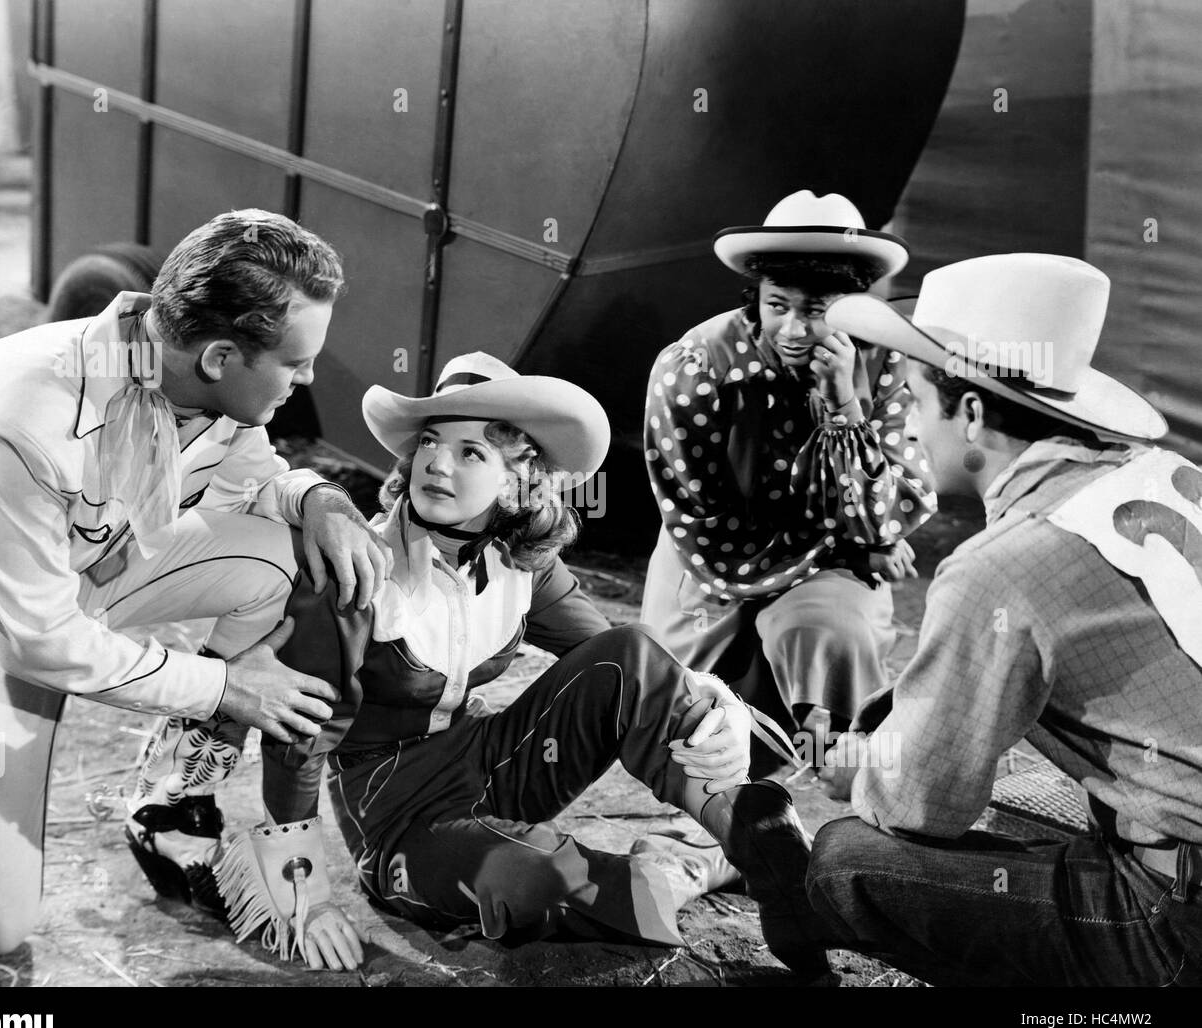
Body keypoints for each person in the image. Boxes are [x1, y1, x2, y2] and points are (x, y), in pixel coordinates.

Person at [212, 352, 829, 977]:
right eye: (430, 441)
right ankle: (677, 867)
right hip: (396, 813)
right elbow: (296, 740)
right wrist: (305, 896)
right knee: (536, 878)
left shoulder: (521, 562)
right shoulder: (353, 573)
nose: (436, 463)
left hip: (492, 759)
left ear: (516, 478)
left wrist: (712, 699)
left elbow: (625, 660)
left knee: (630, 654)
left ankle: (749, 838)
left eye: (470, 452)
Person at [0, 209, 389, 956]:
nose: (309, 377)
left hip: (74, 578)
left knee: (288, 560)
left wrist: (317, 498)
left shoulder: (192, 369)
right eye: (295, 363)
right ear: (223, 356)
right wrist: (225, 686)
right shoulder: (22, 418)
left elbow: (254, 478)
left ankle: (172, 795)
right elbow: (38, 641)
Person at [806, 252, 1202, 987]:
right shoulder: (1160, 472)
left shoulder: (1004, 563)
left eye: (919, 402)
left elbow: (920, 805)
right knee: (1032, 810)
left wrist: (855, 768)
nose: (913, 428)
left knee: (845, 861)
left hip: (1183, 918)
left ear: (973, 413)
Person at [639, 190, 936, 745]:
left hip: (831, 556)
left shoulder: (884, 359)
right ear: (757, 296)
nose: (795, 330)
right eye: (778, 306)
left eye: (818, 311)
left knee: (835, 632)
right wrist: (851, 546)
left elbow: (891, 512)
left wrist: (845, 407)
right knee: (689, 712)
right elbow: (702, 519)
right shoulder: (697, 364)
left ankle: (843, 774)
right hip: (714, 562)